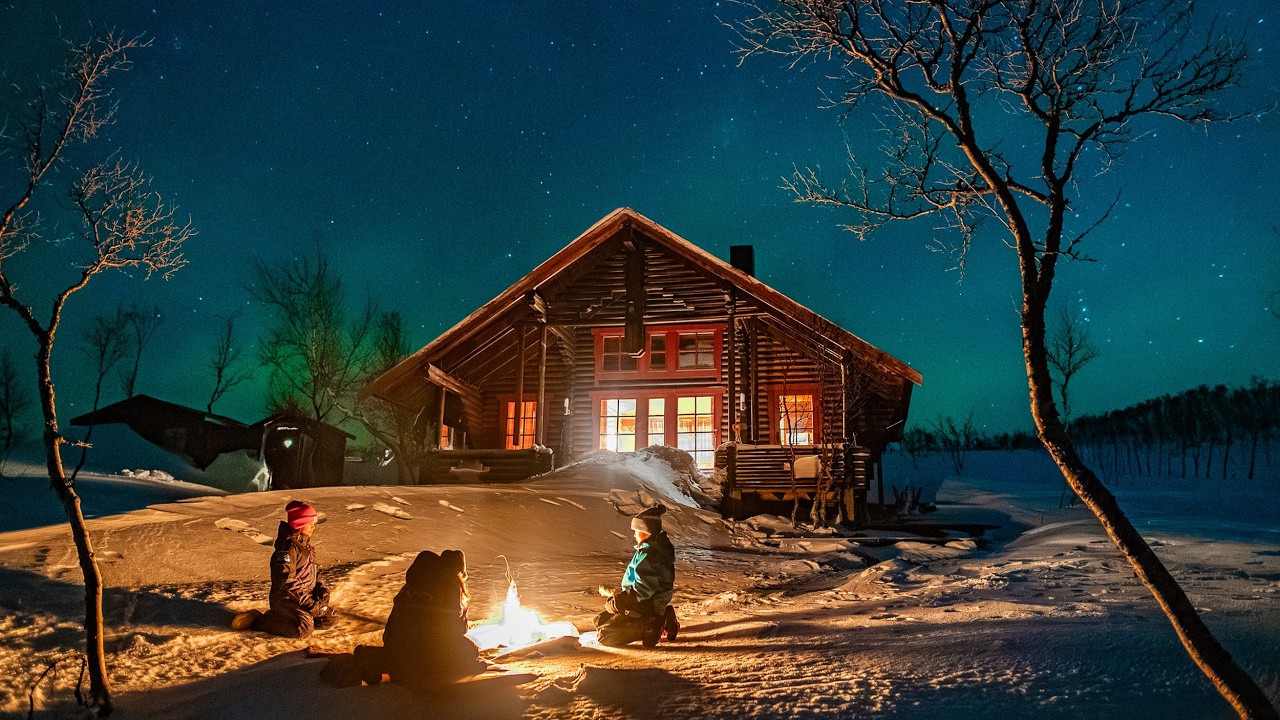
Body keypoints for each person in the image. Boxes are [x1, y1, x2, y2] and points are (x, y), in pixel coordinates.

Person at [231, 500, 335, 638]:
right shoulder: (287, 550)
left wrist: (322, 593)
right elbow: (287, 583)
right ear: (299, 524)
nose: (313, 527)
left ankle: (302, 618)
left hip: (305, 599)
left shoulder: (307, 548)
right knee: (303, 629)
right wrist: (310, 605)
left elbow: (314, 573)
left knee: (330, 618)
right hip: (286, 600)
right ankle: (260, 620)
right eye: (310, 524)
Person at [594, 505, 679, 647]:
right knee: (600, 620)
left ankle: (653, 624)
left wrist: (620, 601)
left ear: (646, 531)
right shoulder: (650, 549)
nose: (634, 535)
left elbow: (643, 591)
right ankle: (662, 616)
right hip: (645, 603)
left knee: (605, 635)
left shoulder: (650, 555)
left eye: (636, 531)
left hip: (646, 606)